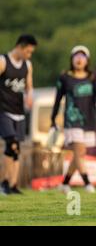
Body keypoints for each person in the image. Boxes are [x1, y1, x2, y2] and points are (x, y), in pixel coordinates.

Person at [51, 46, 96, 194]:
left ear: (87, 60)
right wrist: (53, 119)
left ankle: (64, 183)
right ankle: (88, 184)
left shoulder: (92, 77)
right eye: (76, 56)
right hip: (72, 119)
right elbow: (57, 99)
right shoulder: (64, 77)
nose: (79, 59)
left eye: (82, 56)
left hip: (88, 120)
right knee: (79, 150)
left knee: (79, 155)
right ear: (72, 59)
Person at [0, 35, 37, 195]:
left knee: (17, 150)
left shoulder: (27, 65)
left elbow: (29, 86)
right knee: (11, 143)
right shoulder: (3, 62)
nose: (29, 55)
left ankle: (13, 185)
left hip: (18, 111)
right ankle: (4, 183)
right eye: (28, 52)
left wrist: (30, 96)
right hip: (3, 109)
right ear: (20, 47)